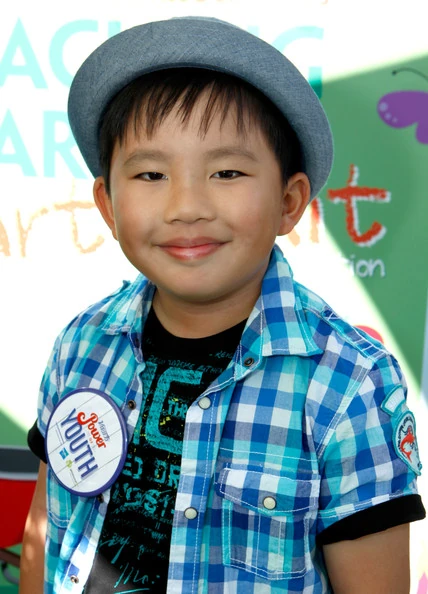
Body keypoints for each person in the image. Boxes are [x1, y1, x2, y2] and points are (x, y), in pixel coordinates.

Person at [20, 16, 425, 594]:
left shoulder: (347, 384)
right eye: (152, 173)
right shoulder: (82, 345)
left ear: (289, 202)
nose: (186, 206)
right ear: (108, 205)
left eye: (227, 172)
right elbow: (46, 532)